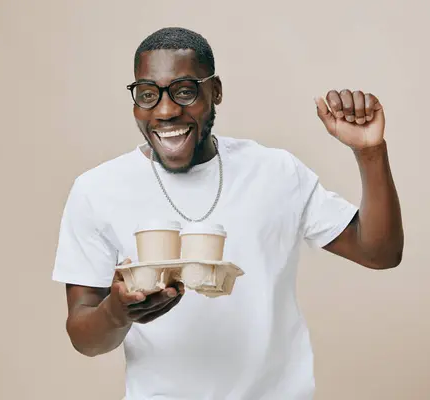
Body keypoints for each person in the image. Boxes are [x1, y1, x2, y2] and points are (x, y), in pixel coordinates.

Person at [52, 27, 404, 400]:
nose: (167, 110)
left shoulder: (275, 172)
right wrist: (117, 313)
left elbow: (379, 252)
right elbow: (84, 337)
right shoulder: (97, 190)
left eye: (185, 91)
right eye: (148, 95)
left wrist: (370, 151)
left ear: (215, 91)